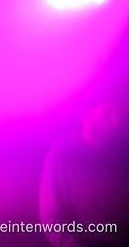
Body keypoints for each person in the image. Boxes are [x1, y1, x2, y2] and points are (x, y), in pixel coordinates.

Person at [39, 98, 129, 246]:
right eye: (107, 113)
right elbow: (52, 220)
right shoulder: (62, 157)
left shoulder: (122, 154)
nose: (116, 120)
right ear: (85, 115)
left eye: (118, 112)